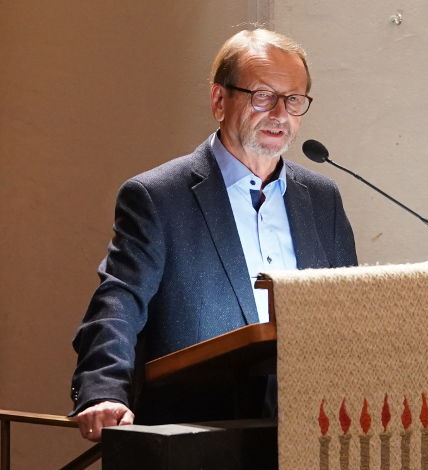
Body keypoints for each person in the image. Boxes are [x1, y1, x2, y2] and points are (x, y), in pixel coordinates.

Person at [69, 28, 357, 441]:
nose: (280, 113)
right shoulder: (158, 196)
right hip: (198, 440)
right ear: (219, 101)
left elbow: (349, 312)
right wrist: (102, 390)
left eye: (293, 99)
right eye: (262, 95)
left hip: (311, 437)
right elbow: (118, 302)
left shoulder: (322, 198)